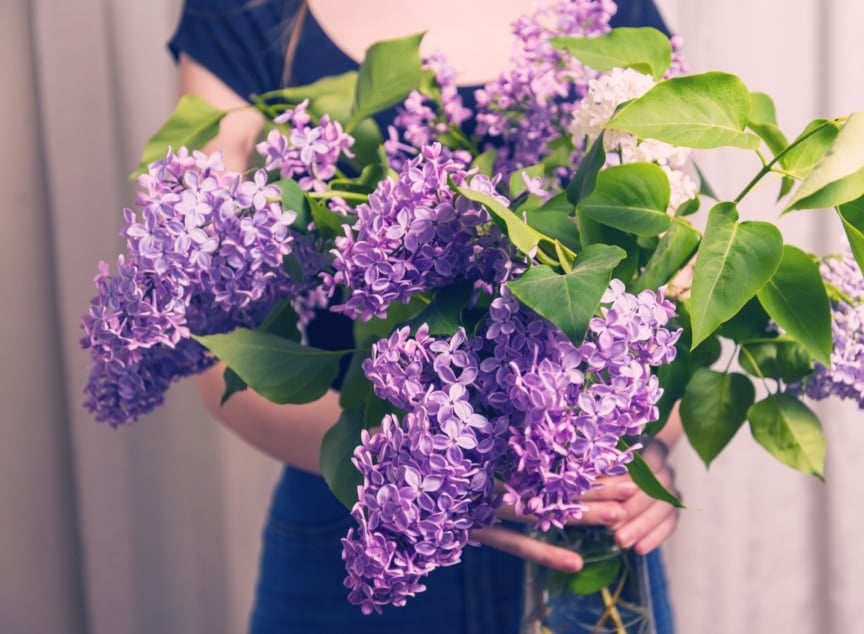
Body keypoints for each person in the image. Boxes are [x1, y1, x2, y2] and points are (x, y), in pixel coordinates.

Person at [169, 1, 683, 632]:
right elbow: (214, 353)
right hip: (368, 523)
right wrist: (427, 469)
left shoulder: (607, 12)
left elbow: (673, 277)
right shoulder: (249, 12)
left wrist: (646, 448)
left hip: (579, 525)